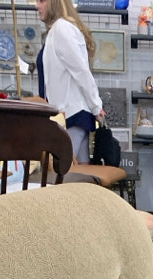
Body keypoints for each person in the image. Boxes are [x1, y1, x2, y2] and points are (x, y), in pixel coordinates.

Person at [36, 0, 104, 163]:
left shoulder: (62, 29)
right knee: (79, 175)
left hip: (72, 113)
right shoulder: (58, 29)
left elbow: (81, 71)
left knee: (62, 172)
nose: (37, 6)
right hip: (70, 113)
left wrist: (96, 106)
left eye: (41, 1)